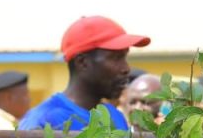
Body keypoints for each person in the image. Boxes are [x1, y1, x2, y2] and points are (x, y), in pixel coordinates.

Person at [19, 16, 150, 131]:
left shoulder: (115, 116)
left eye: (124, 57)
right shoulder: (43, 121)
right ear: (82, 62)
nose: (126, 68)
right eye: (115, 58)